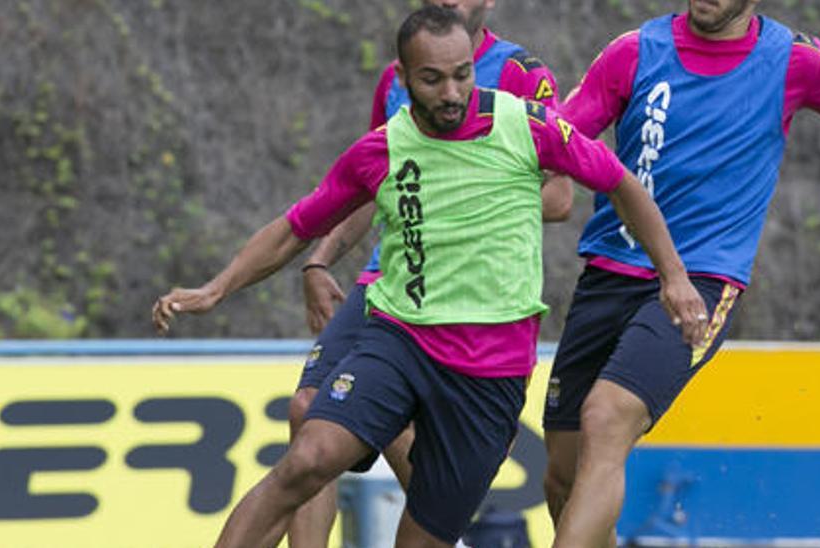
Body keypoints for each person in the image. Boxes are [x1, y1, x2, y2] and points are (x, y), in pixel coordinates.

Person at [152, 6, 707, 547]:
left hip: (490, 372)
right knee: (308, 459)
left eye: (462, 75)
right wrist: (215, 289)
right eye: (432, 79)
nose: (451, 93)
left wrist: (674, 277)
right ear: (403, 78)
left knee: (421, 539)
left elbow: (621, 184)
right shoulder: (381, 151)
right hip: (400, 339)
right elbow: (294, 227)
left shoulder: (528, 127)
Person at [540, 0, 820, 545]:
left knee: (607, 418)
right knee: (563, 471)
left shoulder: (795, 61)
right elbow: (555, 140)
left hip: (703, 279)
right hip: (610, 269)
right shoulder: (634, 52)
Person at [287, 1, 570, 543]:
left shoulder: (520, 75)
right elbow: (375, 180)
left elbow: (558, 197)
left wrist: (459, 200)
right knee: (306, 410)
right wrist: (319, 258)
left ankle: (449, 525)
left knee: (426, 466)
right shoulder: (398, 76)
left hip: (469, 300)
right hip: (388, 283)